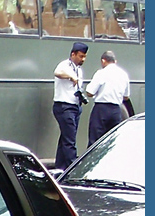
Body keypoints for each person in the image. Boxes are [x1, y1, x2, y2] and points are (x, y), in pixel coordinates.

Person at [51, 41, 87, 169]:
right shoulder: (64, 65)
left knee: (66, 138)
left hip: (75, 106)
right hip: (64, 106)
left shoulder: (79, 69)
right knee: (69, 140)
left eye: (84, 56)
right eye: (81, 56)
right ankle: (72, 167)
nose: (83, 59)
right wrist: (71, 77)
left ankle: (60, 167)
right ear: (73, 54)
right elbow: (57, 73)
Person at [84, 49, 131, 146]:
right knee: (113, 140)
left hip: (101, 110)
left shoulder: (101, 73)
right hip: (116, 110)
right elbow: (126, 97)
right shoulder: (124, 74)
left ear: (103, 61)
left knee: (95, 141)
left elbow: (89, 92)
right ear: (115, 61)